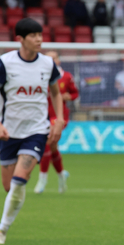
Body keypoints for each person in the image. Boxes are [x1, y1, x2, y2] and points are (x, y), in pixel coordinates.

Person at [0, 18, 63, 245]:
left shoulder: (48, 64)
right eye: (33, 35)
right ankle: (8, 216)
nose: (39, 39)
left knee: (20, 181)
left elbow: (56, 93)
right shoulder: (5, 63)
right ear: (20, 39)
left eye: (40, 34)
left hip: (37, 130)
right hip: (9, 132)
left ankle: (1, 230)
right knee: (9, 187)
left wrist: (57, 120)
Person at [34, 51, 79, 194]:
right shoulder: (38, 76)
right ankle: (61, 176)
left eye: (54, 58)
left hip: (59, 116)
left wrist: (68, 96)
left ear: (59, 60)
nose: (51, 61)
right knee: (52, 146)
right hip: (42, 116)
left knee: (47, 140)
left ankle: (42, 179)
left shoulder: (66, 77)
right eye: (48, 58)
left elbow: (75, 93)